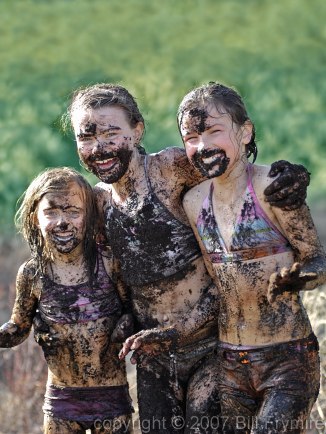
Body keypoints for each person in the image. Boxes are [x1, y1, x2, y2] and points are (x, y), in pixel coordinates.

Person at [42, 83, 309, 434]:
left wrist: (290, 175)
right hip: (154, 357)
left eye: (111, 132)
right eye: (86, 137)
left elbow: (232, 170)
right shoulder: (98, 202)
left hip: (211, 345)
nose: (99, 147)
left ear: (137, 130)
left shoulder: (170, 169)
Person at [122, 82, 326, 434]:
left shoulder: (273, 188)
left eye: (214, 132)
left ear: (245, 132)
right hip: (230, 362)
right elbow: (217, 286)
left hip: (287, 357)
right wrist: (171, 331)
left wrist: (301, 277)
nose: (202, 146)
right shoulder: (193, 202)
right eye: (190, 138)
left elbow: (317, 259)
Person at [0, 167, 134, 434]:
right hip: (62, 401)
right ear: (34, 217)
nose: (62, 222)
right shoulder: (33, 274)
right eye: (51, 212)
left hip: (111, 398)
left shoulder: (108, 264)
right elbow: (18, 327)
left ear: (91, 218)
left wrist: (127, 325)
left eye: (73, 212)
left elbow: (136, 310)